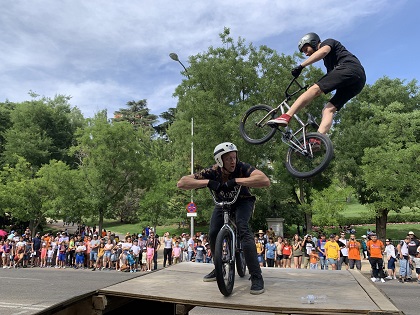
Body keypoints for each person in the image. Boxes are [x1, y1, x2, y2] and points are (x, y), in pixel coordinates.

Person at [177, 142, 270, 295]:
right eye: (228, 159)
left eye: (234, 157)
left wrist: (237, 181)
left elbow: (264, 180)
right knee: (213, 232)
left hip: (243, 201)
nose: (233, 161)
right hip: (222, 204)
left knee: (243, 229)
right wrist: (208, 182)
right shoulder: (213, 171)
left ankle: (256, 276)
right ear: (220, 160)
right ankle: (218, 267)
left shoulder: (242, 167)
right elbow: (182, 182)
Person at [267, 32, 366, 136]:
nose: (306, 54)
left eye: (306, 50)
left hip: (349, 68)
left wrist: (301, 66)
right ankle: (317, 139)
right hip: (358, 81)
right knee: (328, 110)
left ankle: (286, 116)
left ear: (313, 42)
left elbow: (323, 52)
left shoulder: (327, 43)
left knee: (314, 90)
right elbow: (332, 79)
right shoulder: (328, 63)